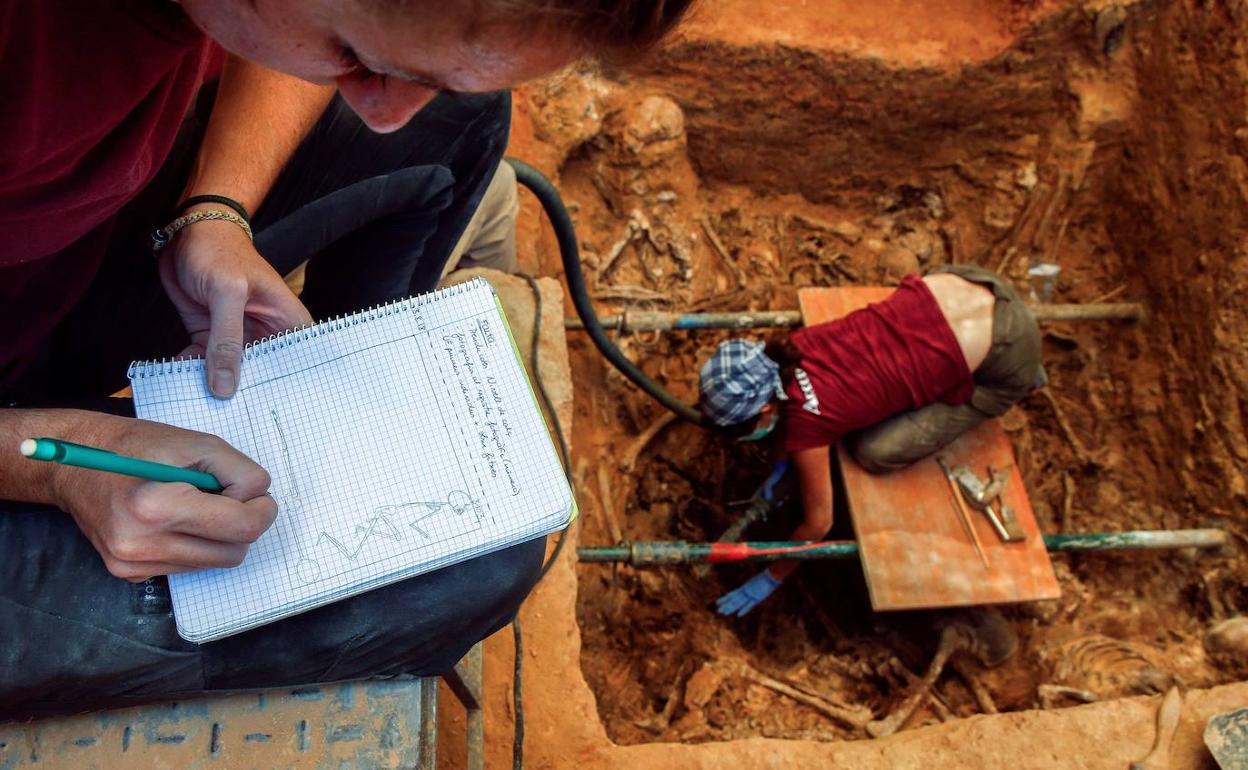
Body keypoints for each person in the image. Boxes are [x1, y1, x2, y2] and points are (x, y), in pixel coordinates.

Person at [0, 0, 693, 716]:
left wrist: (215, 209)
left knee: (459, 118)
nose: (384, 109)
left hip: (61, 261)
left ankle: (331, 404)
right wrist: (56, 462)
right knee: (460, 573)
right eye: (356, 60)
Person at [702, 265, 1047, 617]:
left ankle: (1016, 378)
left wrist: (771, 576)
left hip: (1010, 347)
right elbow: (813, 396)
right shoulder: (794, 347)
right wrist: (784, 458)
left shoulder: (807, 426)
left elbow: (819, 523)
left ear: (765, 408)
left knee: (873, 451)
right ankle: (959, 369)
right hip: (966, 281)